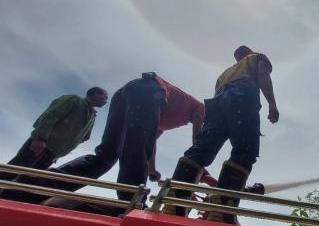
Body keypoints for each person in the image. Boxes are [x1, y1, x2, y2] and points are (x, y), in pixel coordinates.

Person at [5, 73, 204, 204]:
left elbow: (151, 142)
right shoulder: (201, 109)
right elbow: (199, 140)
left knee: (106, 156)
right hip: (151, 90)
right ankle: (131, 203)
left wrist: (151, 169)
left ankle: (33, 188)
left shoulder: (166, 116)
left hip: (126, 93)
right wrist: (199, 165)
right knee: (134, 147)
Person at [165, 46, 279, 224]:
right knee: (245, 150)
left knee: (201, 150)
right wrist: (272, 104)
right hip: (242, 96)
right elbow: (263, 75)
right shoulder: (256, 58)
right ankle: (223, 206)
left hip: (217, 103)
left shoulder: (225, 73)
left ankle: (175, 198)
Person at [0, 87, 108, 182]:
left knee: (29, 179)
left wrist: (58, 153)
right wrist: (40, 139)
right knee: (14, 170)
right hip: (42, 145)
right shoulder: (74, 100)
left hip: (52, 154)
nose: (106, 101)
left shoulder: (92, 116)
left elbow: (84, 137)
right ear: (95, 93)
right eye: (105, 97)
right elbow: (51, 116)